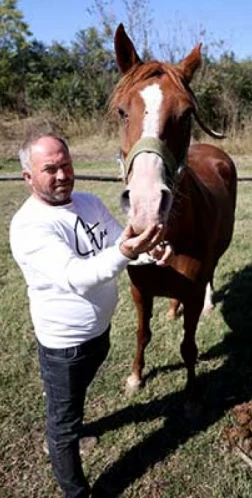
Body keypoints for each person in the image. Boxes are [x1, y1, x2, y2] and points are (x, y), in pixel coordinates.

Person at [9, 132, 171, 498]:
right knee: (63, 425)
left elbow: (118, 242)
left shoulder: (88, 202)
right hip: (65, 347)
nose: (62, 175)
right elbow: (77, 276)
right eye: (50, 169)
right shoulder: (30, 225)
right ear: (28, 177)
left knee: (73, 402)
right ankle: (76, 491)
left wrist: (150, 251)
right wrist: (128, 252)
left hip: (98, 334)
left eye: (66, 165)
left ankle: (72, 425)